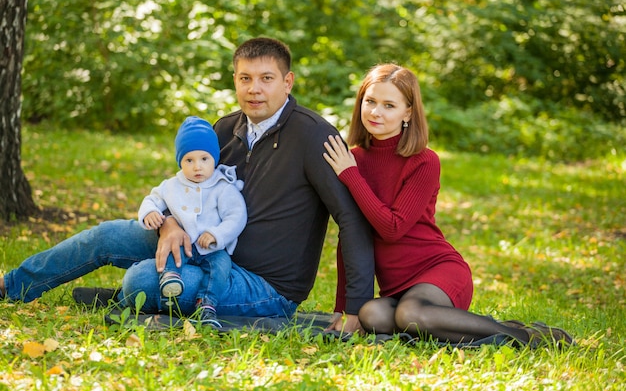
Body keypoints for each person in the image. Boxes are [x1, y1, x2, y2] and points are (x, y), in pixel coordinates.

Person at [0, 37, 374, 332]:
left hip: (264, 286)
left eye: (266, 79)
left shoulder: (314, 136)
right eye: (245, 78)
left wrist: (354, 307)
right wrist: (170, 224)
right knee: (106, 236)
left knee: (143, 279)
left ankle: (144, 294)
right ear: (235, 80)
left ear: (287, 81)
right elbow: (184, 187)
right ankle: (11, 286)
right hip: (200, 246)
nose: (254, 89)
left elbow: (351, 219)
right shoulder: (225, 129)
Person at [323, 63, 574, 347]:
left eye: (389, 105)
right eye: (370, 101)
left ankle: (529, 336)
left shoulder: (423, 161)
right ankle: (495, 327)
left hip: (436, 271)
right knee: (371, 315)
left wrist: (351, 176)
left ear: (408, 112)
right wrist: (344, 308)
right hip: (396, 287)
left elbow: (392, 228)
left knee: (411, 315)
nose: (376, 112)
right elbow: (351, 233)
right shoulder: (351, 158)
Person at [138, 116, 247, 327]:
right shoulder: (171, 185)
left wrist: (217, 234)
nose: (197, 167)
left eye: (204, 159)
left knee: (222, 266)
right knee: (171, 249)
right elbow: (152, 199)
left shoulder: (223, 187)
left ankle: (206, 302)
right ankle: (170, 277)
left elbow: (237, 216)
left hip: (210, 248)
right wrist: (150, 212)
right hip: (183, 244)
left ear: (214, 159)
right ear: (180, 161)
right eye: (189, 160)